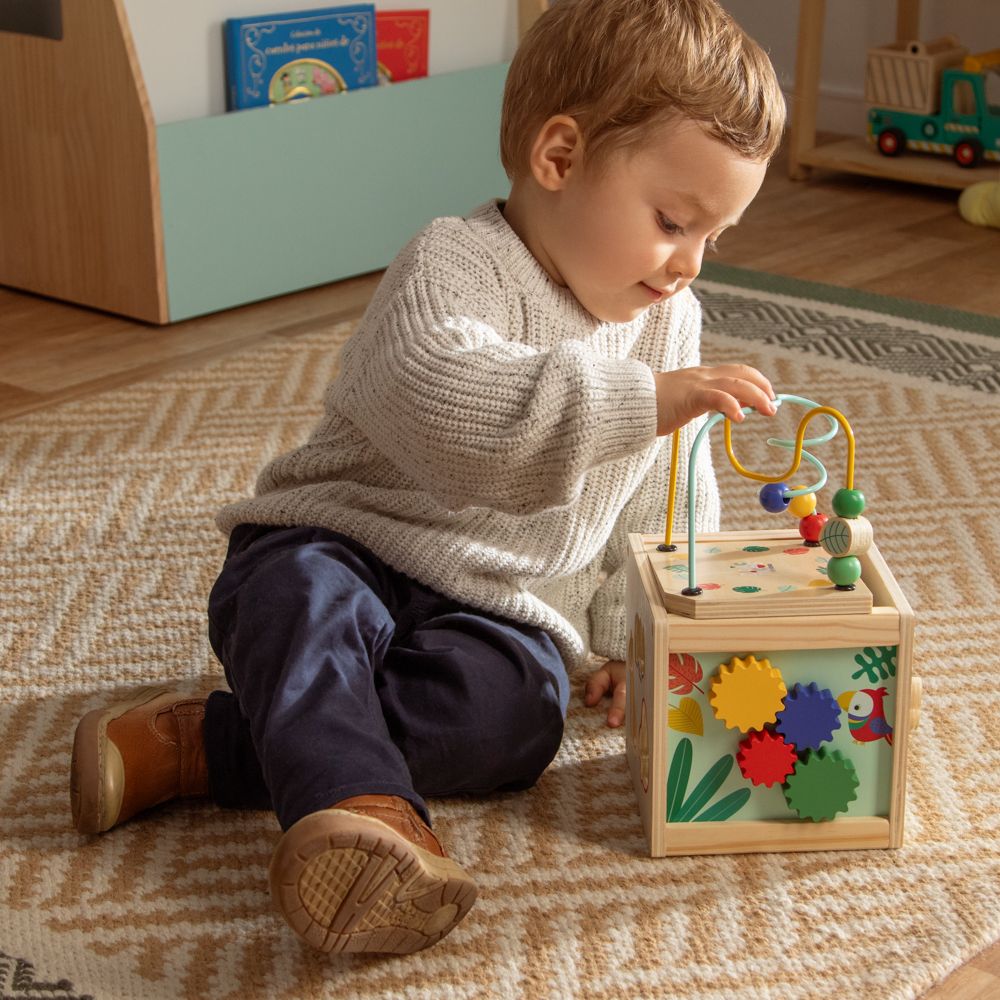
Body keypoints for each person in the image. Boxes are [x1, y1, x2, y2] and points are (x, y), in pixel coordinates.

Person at [69, 0, 785, 957]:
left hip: (493, 597)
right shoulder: (453, 263)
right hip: (344, 540)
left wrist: (626, 635)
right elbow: (457, 417)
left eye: (714, 238)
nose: (688, 264)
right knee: (299, 606)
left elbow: (667, 501)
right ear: (560, 158)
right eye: (670, 221)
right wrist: (637, 402)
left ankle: (211, 745)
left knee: (519, 720)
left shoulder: (670, 322)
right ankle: (367, 815)